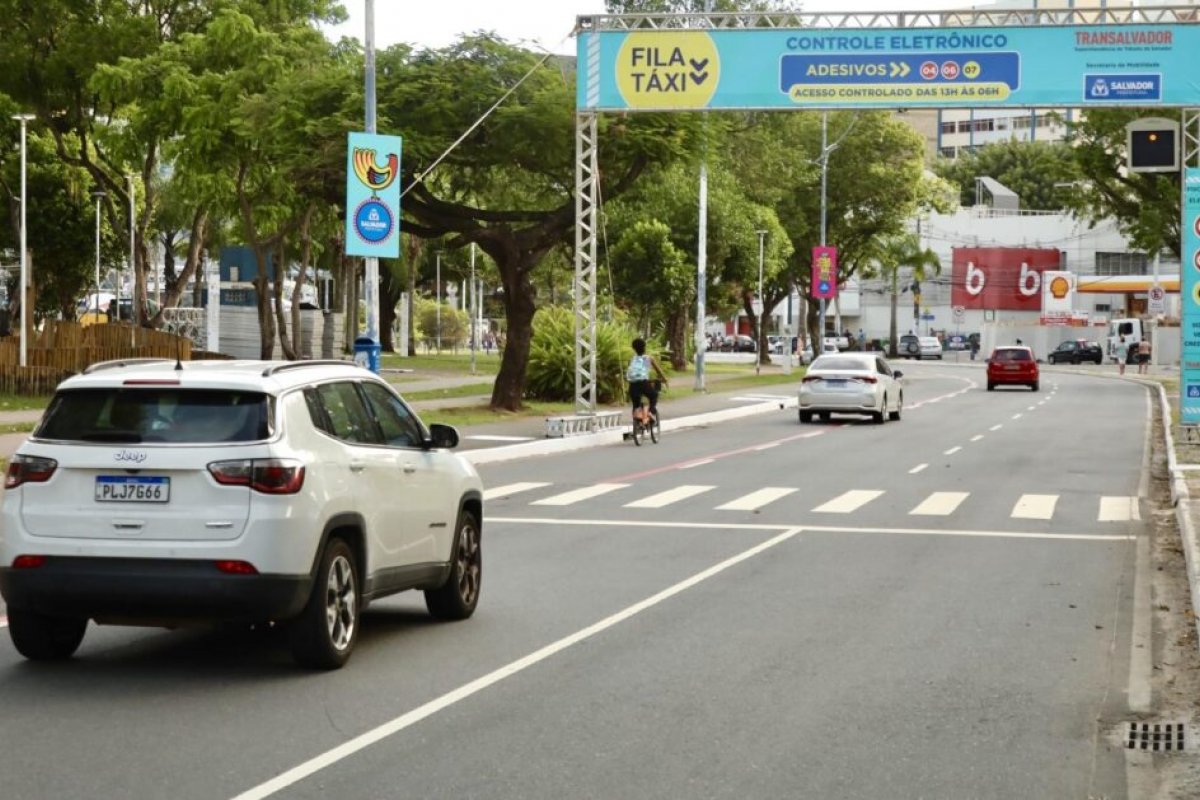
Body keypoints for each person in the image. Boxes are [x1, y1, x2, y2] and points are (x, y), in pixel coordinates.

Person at [626, 337, 668, 425]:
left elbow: (636, 372)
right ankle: (650, 412)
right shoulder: (648, 359)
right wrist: (664, 379)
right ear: (644, 347)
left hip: (632, 385)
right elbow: (656, 371)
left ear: (634, 349)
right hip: (643, 383)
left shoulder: (632, 359)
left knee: (636, 403)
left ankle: (637, 424)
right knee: (654, 395)